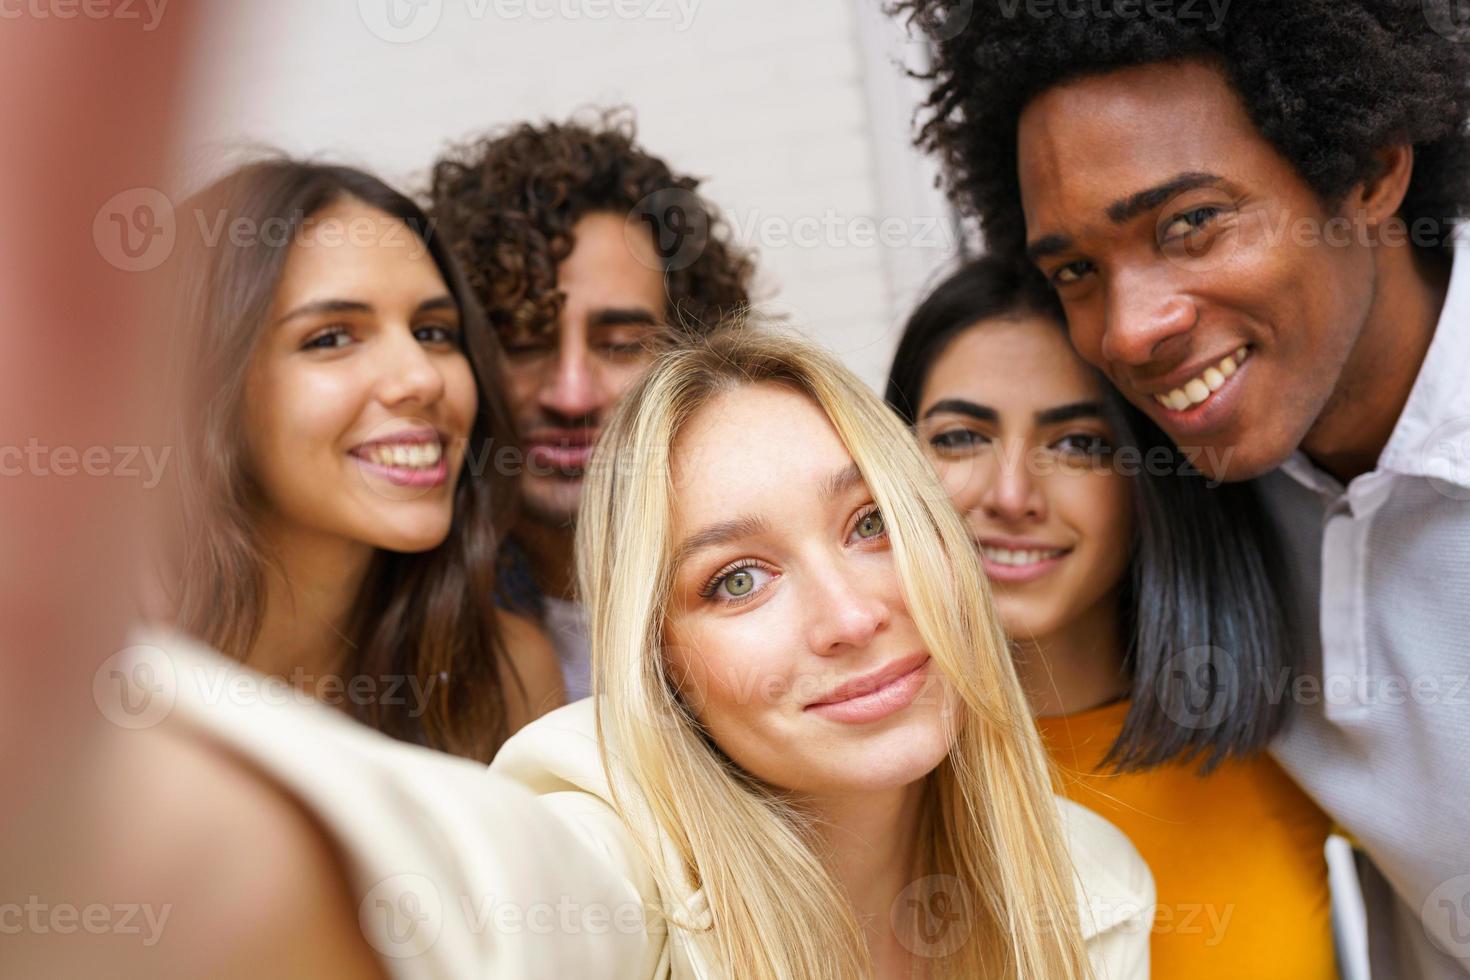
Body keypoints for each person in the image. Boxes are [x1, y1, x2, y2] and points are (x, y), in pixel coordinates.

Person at [108, 324, 1153, 979]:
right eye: (735, 579)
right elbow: (468, 904)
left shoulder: (1090, 886)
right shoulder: (611, 853)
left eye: (870, 522)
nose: (849, 612)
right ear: (666, 668)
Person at [902, 2, 1470, 973]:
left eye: (1191, 223)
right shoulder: (1202, 485)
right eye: (1078, 268)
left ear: (1371, 168)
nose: (1129, 330)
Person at [887, 256, 1334, 977]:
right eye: (961, 437)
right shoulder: (862, 786)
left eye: (1079, 444)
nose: (1011, 495)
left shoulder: (1300, 736)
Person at [162, 160, 563, 760]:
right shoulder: (87, 680)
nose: (421, 378)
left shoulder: (510, 677)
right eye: (331, 337)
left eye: (433, 332)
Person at [428, 111, 755, 699]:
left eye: (620, 345)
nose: (571, 394)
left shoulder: (769, 595)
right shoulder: (410, 634)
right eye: (524, 343)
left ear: (691, 355)